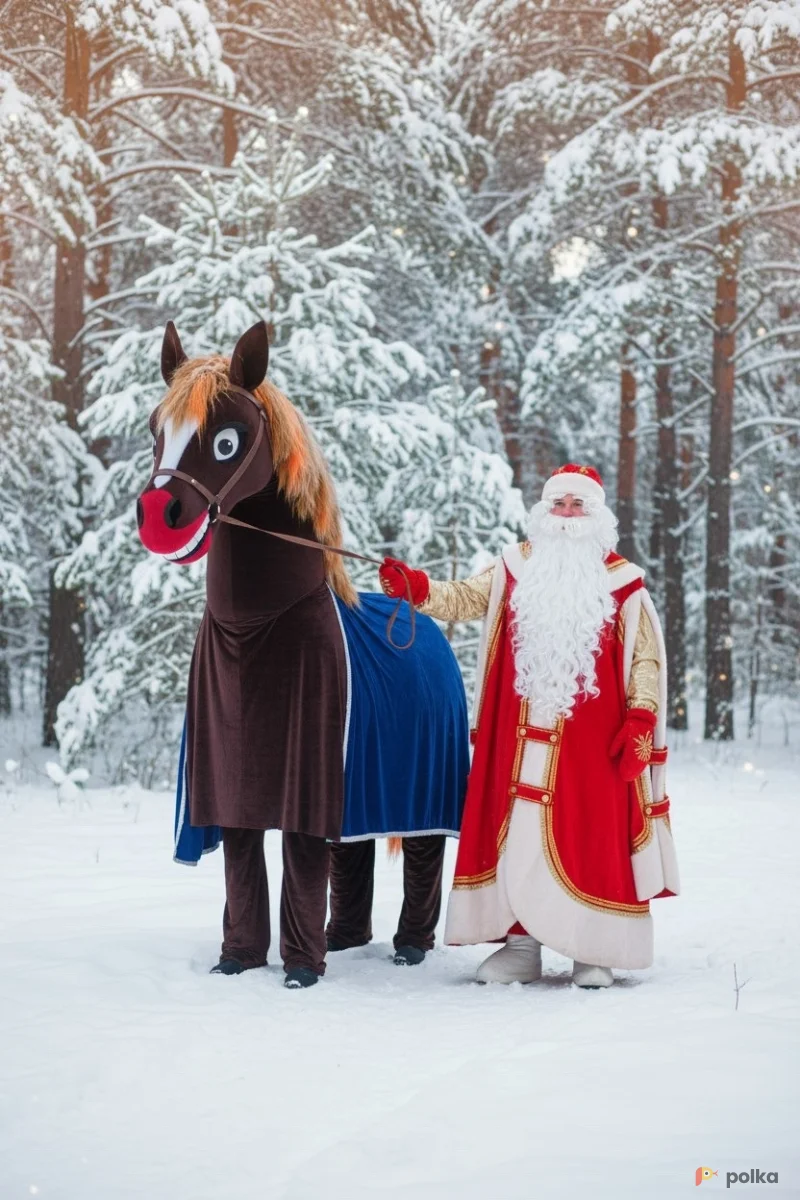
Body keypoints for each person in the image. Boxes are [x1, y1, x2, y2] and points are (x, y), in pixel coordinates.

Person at [378, 464, 679, 988]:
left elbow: (645, 660)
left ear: (596, 515)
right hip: (515, 741)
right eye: (558, 504)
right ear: (543, 512)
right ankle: (520, 947)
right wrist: (419, 589)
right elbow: (467, 598)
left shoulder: (623, 581)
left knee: (592, 839)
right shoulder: (514, 567)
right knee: (514, 835)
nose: (566, 514)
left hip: (591, 750)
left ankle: (593, 950)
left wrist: (640, 718)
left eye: (577, 505)